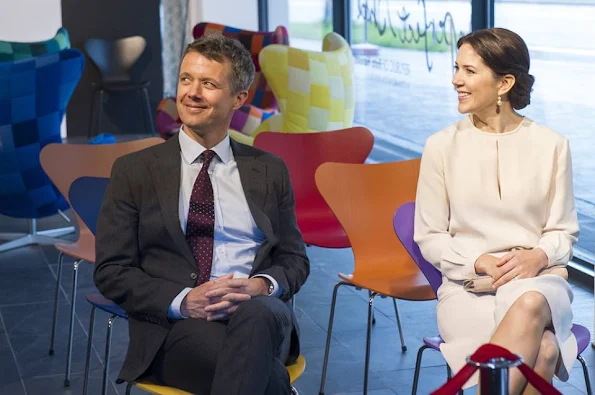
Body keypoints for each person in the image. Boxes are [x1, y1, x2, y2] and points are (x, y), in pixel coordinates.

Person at [94, 34, 309, 395]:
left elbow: (294, 259)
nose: (192, 92)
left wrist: (259, 286)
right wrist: (184, 301)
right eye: (186, 79)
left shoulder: (269, 170)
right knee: (260, 375)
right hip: (179, 327)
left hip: (260, 314)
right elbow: (111, 270)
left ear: (239, 99)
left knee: (256, 316)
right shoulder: (134, 171)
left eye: (208, 84)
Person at [414, 27, 579, 394]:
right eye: (456, 68)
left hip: (537, 282)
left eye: (469, 71)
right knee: (546, 349)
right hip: (469, 290)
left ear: (504, 83)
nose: (456, 80)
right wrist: (481, 261)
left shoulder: (553, 145)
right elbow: (429, 236)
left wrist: (539, 255)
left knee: (532, 301)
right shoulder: (440, 146)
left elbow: (563, 231)